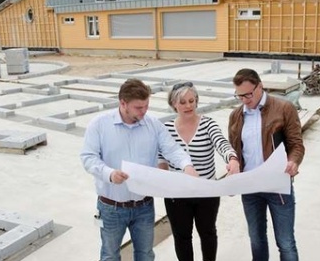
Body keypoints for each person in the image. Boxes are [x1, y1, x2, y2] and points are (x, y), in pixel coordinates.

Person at [80, 78, 199, 261]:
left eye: (146, 106)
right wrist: (109, 174)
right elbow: (88, 157)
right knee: (109, 255)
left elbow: (172, 149)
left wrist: (187, 166)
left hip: (144, 207)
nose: (144, 111)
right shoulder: (99, 124)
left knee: (145, 255)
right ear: (123, 103)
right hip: (111, 207)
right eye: (138, 107)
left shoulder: (153, 124)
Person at [227, 68, 305, 261]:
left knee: (286, 242)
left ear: (260, 86)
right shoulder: (236, 116)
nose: (245, 99)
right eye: (239, 96)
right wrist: (232, 165)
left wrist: (293, 161)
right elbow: (234, 150)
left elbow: (296, 145)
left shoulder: (284, 108)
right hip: (250, 187)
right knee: (256, 239)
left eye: (248, 94)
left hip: (277, 185)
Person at [157, 81, 240, 261]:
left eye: (192, 100)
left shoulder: (208, 124)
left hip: (206, 192)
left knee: (208, 233)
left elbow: (221, 143)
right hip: (176, 195)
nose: (189, 105)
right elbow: (161, 157)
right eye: (183, 102)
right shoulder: (166, 129)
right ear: (173, 104)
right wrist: (161, 176)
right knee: (182, 237)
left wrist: (232, 158)